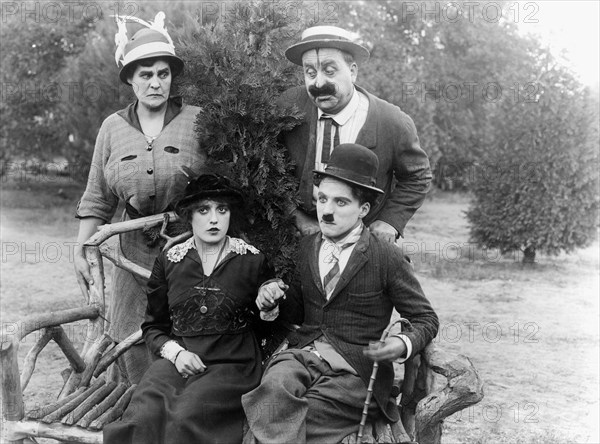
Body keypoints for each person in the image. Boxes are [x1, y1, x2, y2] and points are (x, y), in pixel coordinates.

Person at [241, 144, 439, 444]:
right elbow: (294, 312)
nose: (327, 211)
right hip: (304, 355)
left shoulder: (386, 257)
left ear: (364, 209)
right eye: (322, 199)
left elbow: (426, 318)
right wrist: (272, 299)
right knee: (270, 392)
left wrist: (402, 343)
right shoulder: (307, 248)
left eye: (341, 202)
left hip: (357, 371)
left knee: (292, 416)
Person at [73, 13, 206, 384]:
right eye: (145, 75)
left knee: (187, 330)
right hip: (130, 250)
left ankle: (181, 412)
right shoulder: (112, 128)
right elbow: (97, 199)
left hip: (188, 244)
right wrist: (81, 250)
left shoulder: (198, 121)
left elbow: (219, 189)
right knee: (131, 331)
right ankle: (134, 408)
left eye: (163, 74)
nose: (155, 83)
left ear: (171, 77)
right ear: (130, 79)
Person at [103, 173, 275, 443]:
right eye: (203, 210)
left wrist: (269, 305)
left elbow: (269, 325)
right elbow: (153, 327)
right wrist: (177, 354)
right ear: (188, 215)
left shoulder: (251, 261)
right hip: (179, 361)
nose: (214, 219)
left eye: (222, 209)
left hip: (232, 366)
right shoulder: (171, 262)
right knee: (143, 414)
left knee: (186, 417)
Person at [280, 26, 432, 244]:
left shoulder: (392, 121)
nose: (319, 83)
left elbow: (418, 177)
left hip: (363, 245)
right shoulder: (288, 108)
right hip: (301, 243)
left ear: (352, 71)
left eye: (330, 71)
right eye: (310, 73)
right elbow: (266, 170)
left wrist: (390, 221)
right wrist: (298, 217)